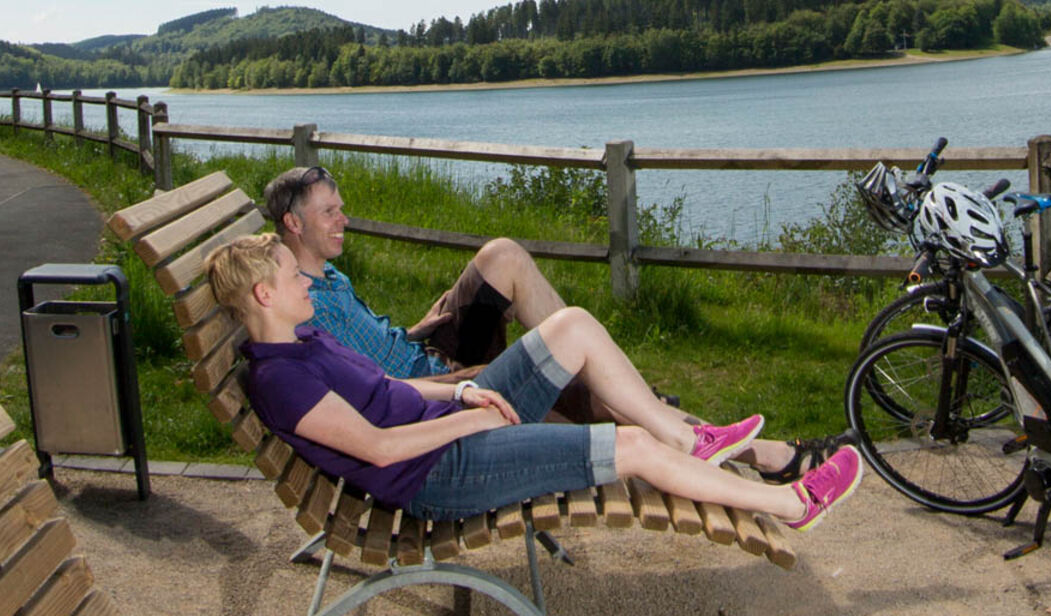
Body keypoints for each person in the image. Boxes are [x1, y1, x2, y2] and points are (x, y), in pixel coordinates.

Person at [204, 233, 863, 532]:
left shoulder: (307, 336)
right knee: (626, 449)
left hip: (452, 427)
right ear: (264, 292)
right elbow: (377, 447)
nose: (305, 281)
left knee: (570, 326)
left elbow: (386, 388)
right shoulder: (282, 380)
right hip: (437, 473)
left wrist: (463, 393)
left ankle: (690, 439)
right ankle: (792, 505)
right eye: (293, 277)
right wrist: (473, 418)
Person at [263, 164, 850, 483]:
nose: (345, 219)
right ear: (293, 224)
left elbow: (373, 350)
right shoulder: (296, 304)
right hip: (436, 388)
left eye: (341, 207)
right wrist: (460, 381)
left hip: (423, 350)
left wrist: (419, 328)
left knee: (503, 255)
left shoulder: (319, 274)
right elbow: (370, 390)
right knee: (579, 384)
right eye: (329, 212)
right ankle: (763, 454)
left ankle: (622, 387)